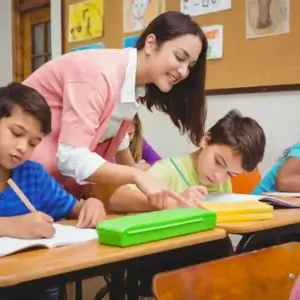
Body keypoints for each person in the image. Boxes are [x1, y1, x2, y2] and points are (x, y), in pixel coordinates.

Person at [23, 11, 208, 204]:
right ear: (151, 44)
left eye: (190, 65)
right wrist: (137, 175)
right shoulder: (97, 74)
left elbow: (113, 145)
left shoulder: (132, 89)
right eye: (180, 57)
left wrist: (172, 197)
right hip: (20, 185)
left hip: (51, 193)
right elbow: (71, 156)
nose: (184, 72)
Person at [0, 83, 106, 300]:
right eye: (16, 133)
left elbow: (75, 208)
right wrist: (12, 226)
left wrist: (91, 204)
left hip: (35, 285)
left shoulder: (32, 175)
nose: (22, 148)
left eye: (32, 143)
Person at [108, 110, 266, 213]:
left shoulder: (222, 182)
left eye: (231, 174)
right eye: (218, 162)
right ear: (205, 140)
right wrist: (174, 203)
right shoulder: (170, 169)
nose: (219, 176)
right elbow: (117, 199)